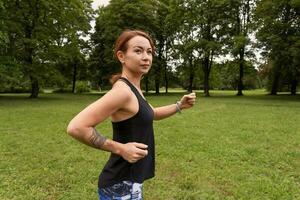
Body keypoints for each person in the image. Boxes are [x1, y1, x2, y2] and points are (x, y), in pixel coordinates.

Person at [67, 30, 196, 200]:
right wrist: (121, 149)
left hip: (130, 180)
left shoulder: (133, 89)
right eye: (138, 51)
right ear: (122, 56)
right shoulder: (122, 91)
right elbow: (76, 127)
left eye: (149, 52)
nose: (146, 57)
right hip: (119, 185)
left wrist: (179, 106)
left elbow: (152, 113)